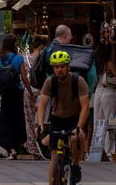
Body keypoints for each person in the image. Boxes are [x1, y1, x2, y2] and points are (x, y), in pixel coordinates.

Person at [38, 50, 91, 185]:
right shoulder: (50, 82)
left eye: (62, 66)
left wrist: (79, 127)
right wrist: (40, 125)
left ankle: (75, 165)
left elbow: (85, 106)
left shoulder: (78, 81)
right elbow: (42, 105)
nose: (59, 70)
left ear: (68, 67)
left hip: (74, 118)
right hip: (57, 119)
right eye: (56, 67)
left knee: (76, 138)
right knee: (54, 154)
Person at [0, 33, 30, 159]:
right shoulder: (19, 59)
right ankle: (17, 146)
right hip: (16, 92)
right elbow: (25, 78)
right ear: (13, 44)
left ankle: (10, 148)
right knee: (17, 119)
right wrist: (30, 93)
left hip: (2, 93)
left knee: (5, 119)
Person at [91, 46, 116, 162]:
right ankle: (111, 152)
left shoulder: (95, 64)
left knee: (98, 123)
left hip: (97, 92)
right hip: (109, 92)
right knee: (110, 122)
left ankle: (97, 152)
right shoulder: (108, 63)